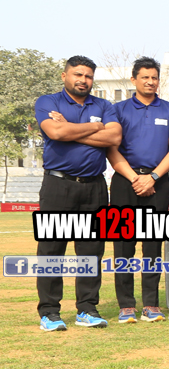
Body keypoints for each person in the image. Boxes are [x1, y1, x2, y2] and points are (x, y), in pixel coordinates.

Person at [34, 56, 122, 331]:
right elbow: (55, 132)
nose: (83, 80)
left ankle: (87, 309)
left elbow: (114, 137)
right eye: (78, 74)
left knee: (91, 251)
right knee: (51, 250)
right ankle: (49, 312)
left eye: (88, 76)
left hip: (95, 186)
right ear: (65, 76)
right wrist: (96, 127)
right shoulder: (48, 102)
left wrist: (70, 129)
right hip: (58, 185)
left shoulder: (104, 106)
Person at [107, 56, 169, 324]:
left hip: (158, 181)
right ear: (134, 79)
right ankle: (126, 305)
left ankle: (151, 304)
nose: (150, 82)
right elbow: (111, 149)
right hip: (124, 181)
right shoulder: (117, 109)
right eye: (145, 77)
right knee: (123, 245)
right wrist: (135, 178)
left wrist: (152, 178)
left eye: (154, 78)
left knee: (152, 245)